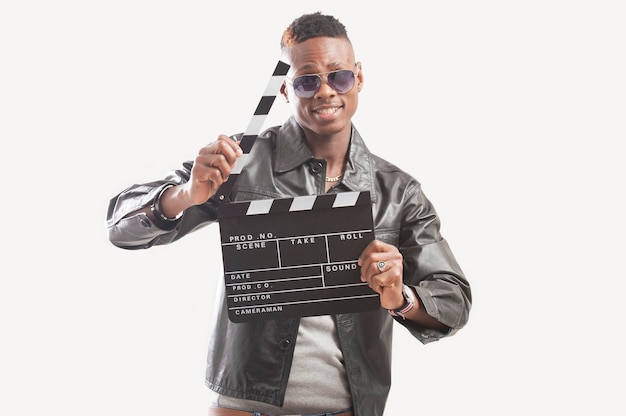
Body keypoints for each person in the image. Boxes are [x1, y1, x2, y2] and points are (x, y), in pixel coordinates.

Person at [106, 11, 472, 416]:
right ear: (285, 90)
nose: (325, 91)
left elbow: (453, 299)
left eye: (340, 76)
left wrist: (402, 297)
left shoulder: (397, 191)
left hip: (346, 408)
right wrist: (185, 194)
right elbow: (120, 228)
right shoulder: (239, 163)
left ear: (360, 78)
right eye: (307, 80)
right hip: (241, 408)